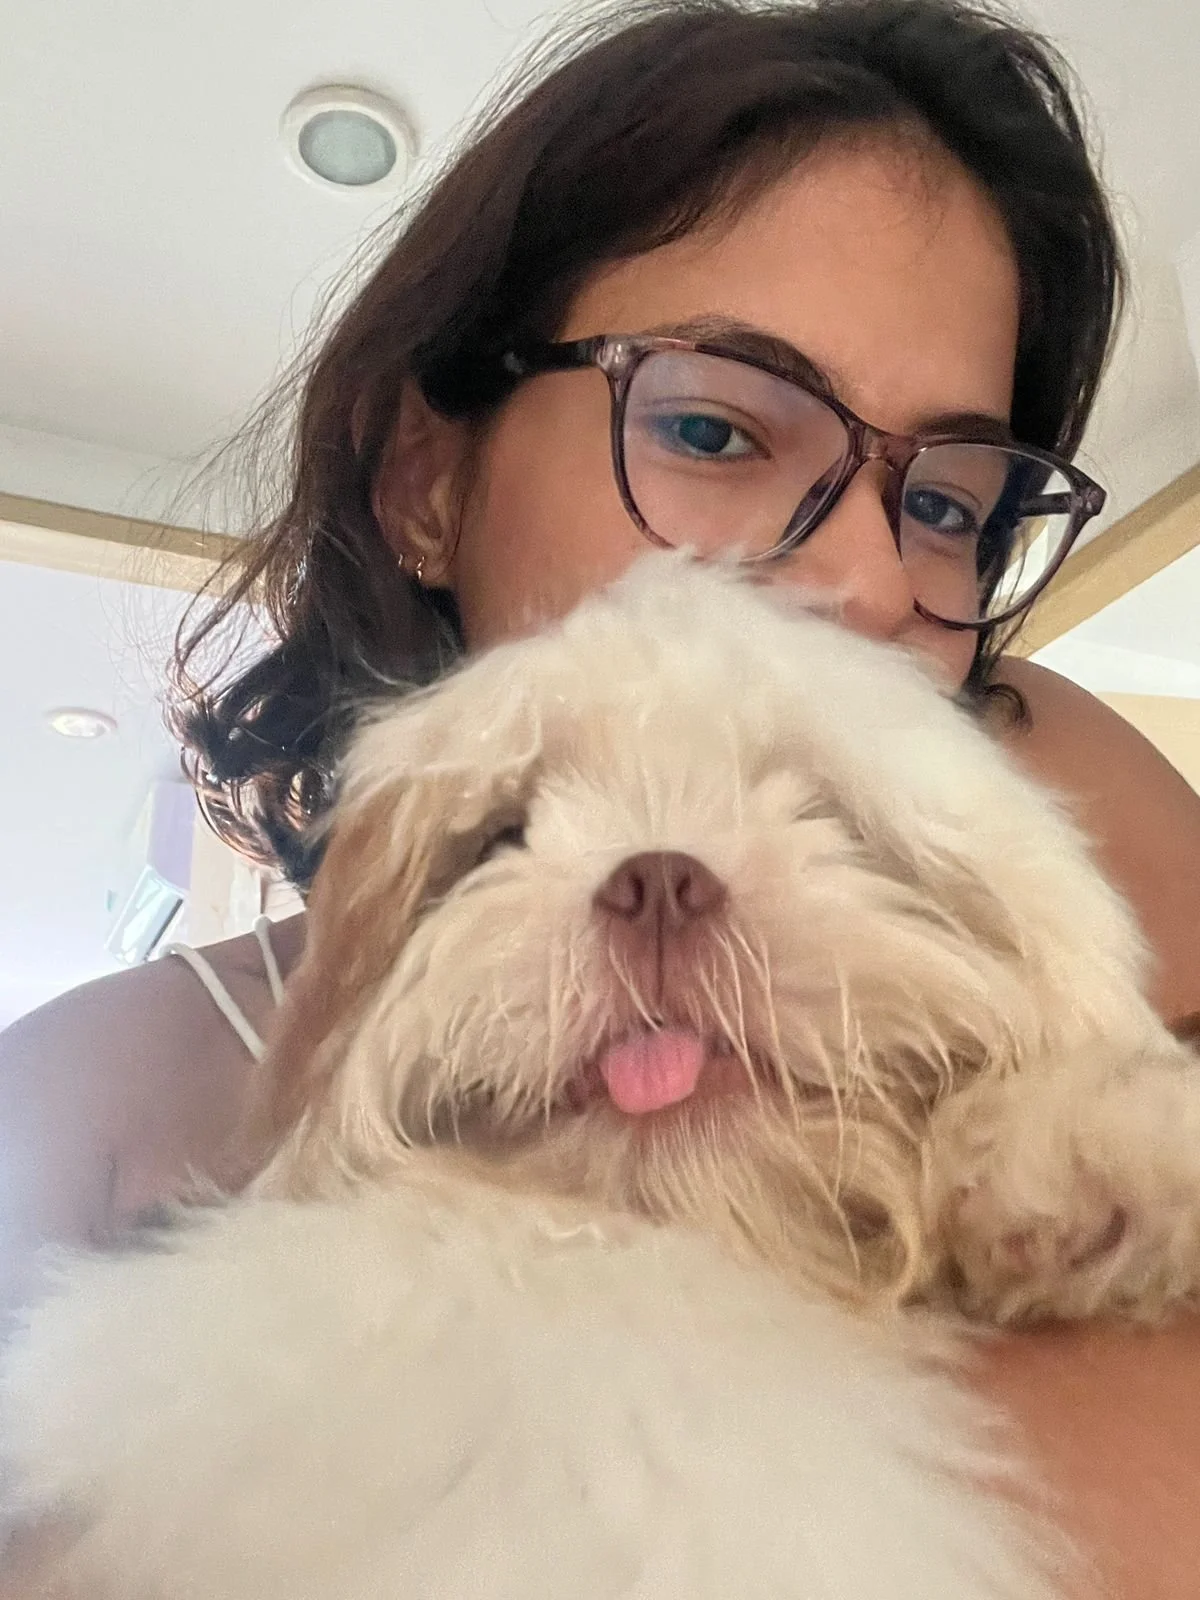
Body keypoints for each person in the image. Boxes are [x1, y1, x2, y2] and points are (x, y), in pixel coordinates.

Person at [2, 1, 1199, 1592]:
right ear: (428, 481)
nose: (855, 575)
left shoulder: (1058, 800)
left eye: (949, 503)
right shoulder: (76, 1102)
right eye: (712, 427)